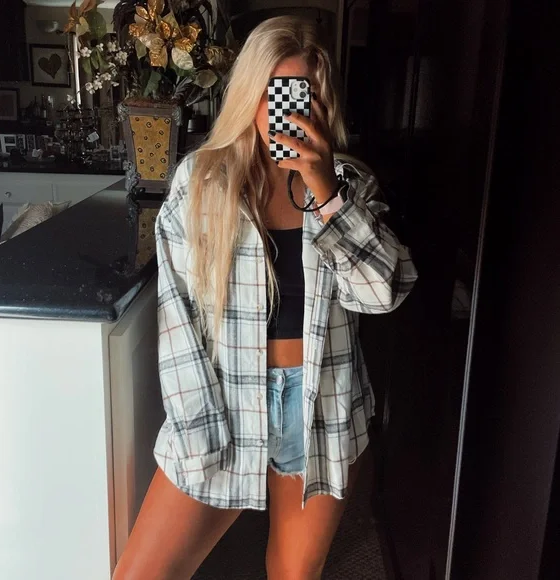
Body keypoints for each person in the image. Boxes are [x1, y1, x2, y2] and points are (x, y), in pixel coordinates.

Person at [113, 15, 417, 580]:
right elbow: (178, 318)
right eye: (279, 92)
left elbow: (384, 293)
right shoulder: (201, 183)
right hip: (227, 399)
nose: (292, 110)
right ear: (251, 94)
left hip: (320, 409)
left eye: (307, 95)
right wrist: (197, 428)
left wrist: (326, 192)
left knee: (293, 574)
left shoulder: (349, 186)